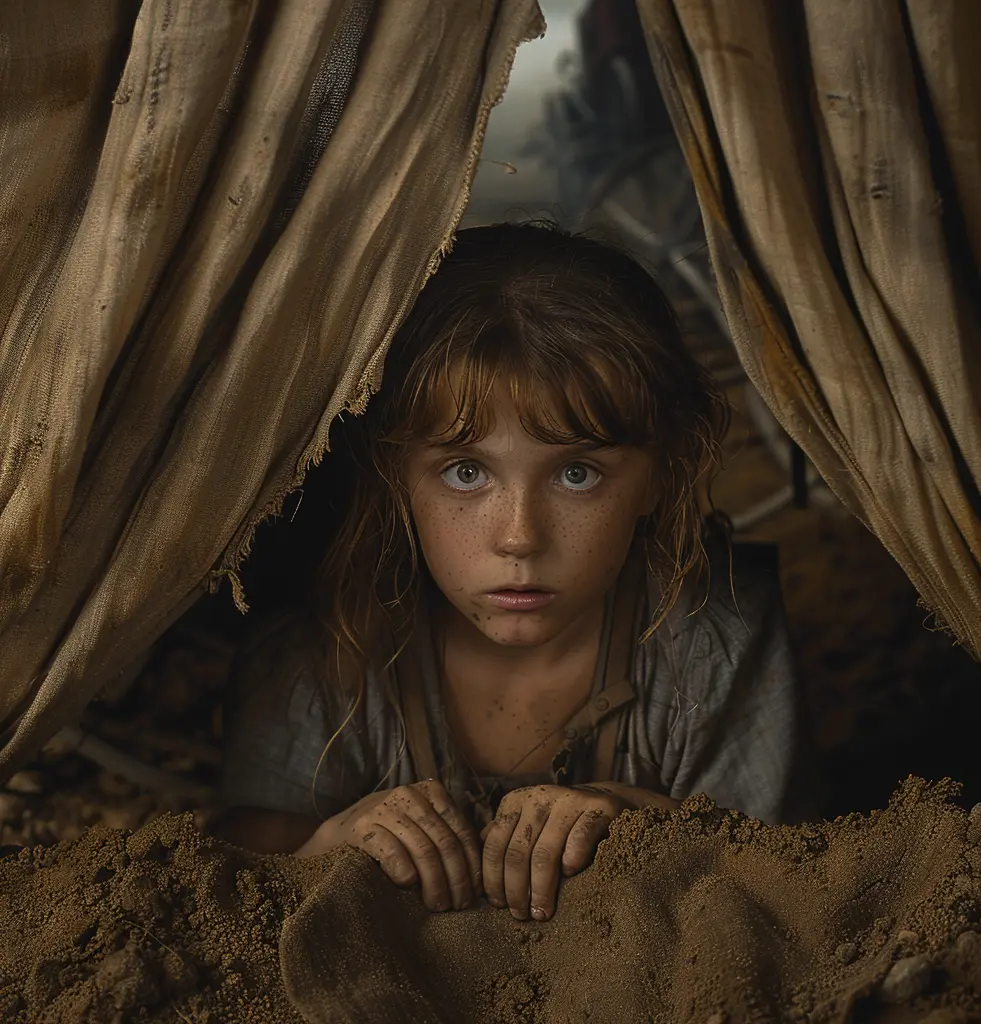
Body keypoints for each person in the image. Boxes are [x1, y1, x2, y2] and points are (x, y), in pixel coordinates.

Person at [212, 220, 818, 924]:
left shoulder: (712, 642)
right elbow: (242, 869)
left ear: (660, 473)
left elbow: (785, 877)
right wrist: (332, 843)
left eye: (578, 474)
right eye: (465, 472)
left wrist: (642, 821)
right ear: (394, 474)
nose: (520, 538)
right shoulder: (330, 648)